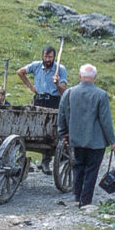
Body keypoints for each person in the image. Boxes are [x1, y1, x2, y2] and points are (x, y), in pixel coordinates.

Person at [57, 63, 115, 207]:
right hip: (96, 142)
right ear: (95, 77)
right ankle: (86, 200)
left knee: (78, 166)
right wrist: (112, 141)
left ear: (80, 76)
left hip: (75, 139)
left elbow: (62, 115)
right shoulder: (101, 95)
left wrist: (63, 134)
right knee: (91, 170)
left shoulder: (69, 92)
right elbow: (105, 120)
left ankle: (77, 195)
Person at [17, 45, 67, 174]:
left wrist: (57, 83)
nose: (47, 59)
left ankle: (46, 161)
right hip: (39, 100)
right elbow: (20, 72)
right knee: (34, 127)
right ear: (42, 56)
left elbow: (64, 91)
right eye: (45, 56)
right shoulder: (36, 65)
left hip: (54, 101)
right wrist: (31, 87)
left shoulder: (60, 69)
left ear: (54, 57)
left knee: (50, 130)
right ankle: (22, 159)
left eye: (50, 57)